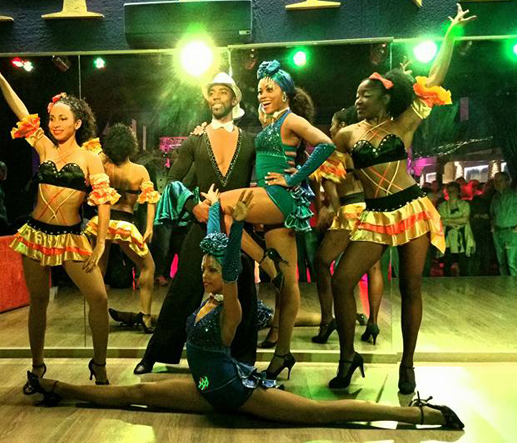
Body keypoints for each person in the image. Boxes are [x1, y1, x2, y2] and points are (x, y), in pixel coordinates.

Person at [25, 192, 465, 431]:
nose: (206, 275)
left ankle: (418, 415)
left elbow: (232, 270)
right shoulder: (205, 300)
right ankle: (59, 387)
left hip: (238, 392)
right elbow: (216, 267)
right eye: (204, 269)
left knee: (321, 414)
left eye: (213, 271)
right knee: (133, 394)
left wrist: (235, 227)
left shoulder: (230, 308)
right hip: (204, 390)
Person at [318, 4, 475, 394]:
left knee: (410, 287)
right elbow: (329, 170)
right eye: (357, 94)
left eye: (366, 94)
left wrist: (450, 35)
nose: (358, 100)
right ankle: (348, 357)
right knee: (342, 280)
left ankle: (407, 365)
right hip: (374, 215)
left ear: (385, 99)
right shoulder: (346, 135)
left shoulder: (404, 122)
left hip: (411, 209)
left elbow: (435, 77)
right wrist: (324, 199)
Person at [0, 50, 115, 386]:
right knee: (38, 301)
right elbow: (21, 110)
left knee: (99, 298)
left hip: (71, 237)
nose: (55, 123)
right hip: (36, 234)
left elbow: (102, 202)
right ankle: (37, 367)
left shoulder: (90, 157)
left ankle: (99, 365)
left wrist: (100, 243)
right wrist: (0, 78)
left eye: (62, 118)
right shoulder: (43, 146)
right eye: (52, 118)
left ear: (78, 123)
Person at [133, 72, 260, 375]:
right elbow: (173, 181)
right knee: (183, 289)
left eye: (223, 92)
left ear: (234, 98)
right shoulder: (195, 139)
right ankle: (154, 354)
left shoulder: (251, 141)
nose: (216, 97)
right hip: (202, 226)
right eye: (212, 92)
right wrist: (195, 207)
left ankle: (243, 361)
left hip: (237, 228)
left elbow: (260, 184)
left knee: (245, 293)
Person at [216, 60, 336, 380]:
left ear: (285, 93)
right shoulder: (271, 121)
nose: (263, 94)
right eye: (259, 90)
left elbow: (326, 144)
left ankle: (263, 262)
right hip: (271, 198)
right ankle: (283, 353)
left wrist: (294, 177)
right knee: (287, 281)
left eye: (269, 89)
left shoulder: (291, 119)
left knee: (219, 206)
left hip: (278, 196)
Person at [308, 106, 383, 346]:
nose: (330, 128)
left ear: (342, 125)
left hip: (349, 208)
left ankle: (327, 319)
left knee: (321, 262)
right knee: (373, 268)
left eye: (333, 123)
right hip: (371, 210)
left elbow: (328, 184)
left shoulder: (336, 149)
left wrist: (333, 209)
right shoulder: (366, 148)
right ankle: (373, 322)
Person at [83, 124, 159, 333]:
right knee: (148, 267)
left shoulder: (102, 166)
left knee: (99, 269)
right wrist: (149, 227)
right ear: (131, 146)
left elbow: (91, 154)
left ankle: (97, 313)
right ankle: (145, 315)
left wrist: (105, 153)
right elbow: (151, 200)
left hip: (102, 223)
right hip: (125, 224)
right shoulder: (139, 170)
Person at [490, 172, 517, 277]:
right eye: (495, 181)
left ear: (508, 181)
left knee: (512, 261)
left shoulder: (516, 194)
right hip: (498, 232)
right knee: (501, 262)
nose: (497, 183)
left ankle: (515, 284)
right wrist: (493, 226)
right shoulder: (495, 197)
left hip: (512, 231)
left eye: (500, 180)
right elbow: (492, 214)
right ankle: (505, 284)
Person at [438, 181, 474, 276]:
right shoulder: (442, 205)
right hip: (448, 239)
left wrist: (448, 220)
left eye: (453, 191)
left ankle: (464, 282)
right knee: (447, 264)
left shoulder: (465, 205)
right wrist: (457, 220)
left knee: (463, 264)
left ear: (458, 192)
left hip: (462, 238)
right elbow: (441, 221)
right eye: (449, 191)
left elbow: (465, 219)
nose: (451, 193)